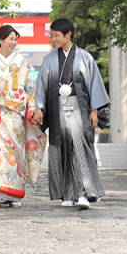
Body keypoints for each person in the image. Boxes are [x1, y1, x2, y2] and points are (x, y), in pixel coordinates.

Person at [32, 18, 108, 209]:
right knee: (60, 150)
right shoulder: (49, 59)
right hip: (58, 109)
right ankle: (67, 194)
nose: (53, 39)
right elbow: (41, 84)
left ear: (68, 34)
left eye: (56, 35)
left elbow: (94, 85)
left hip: (78, 108)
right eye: (52, 35)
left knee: (79, 149)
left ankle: (82, 193)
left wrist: (94, 110)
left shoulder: (85, 57)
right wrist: (39, 107)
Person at [0, 25, 47, 208]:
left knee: (14, 154)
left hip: (15, 116)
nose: (14, 42)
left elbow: (29, 87)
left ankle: (14, 196)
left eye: (15, 39)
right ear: (0, 40)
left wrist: (35, 108)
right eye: (11, 39)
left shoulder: (21, 61)